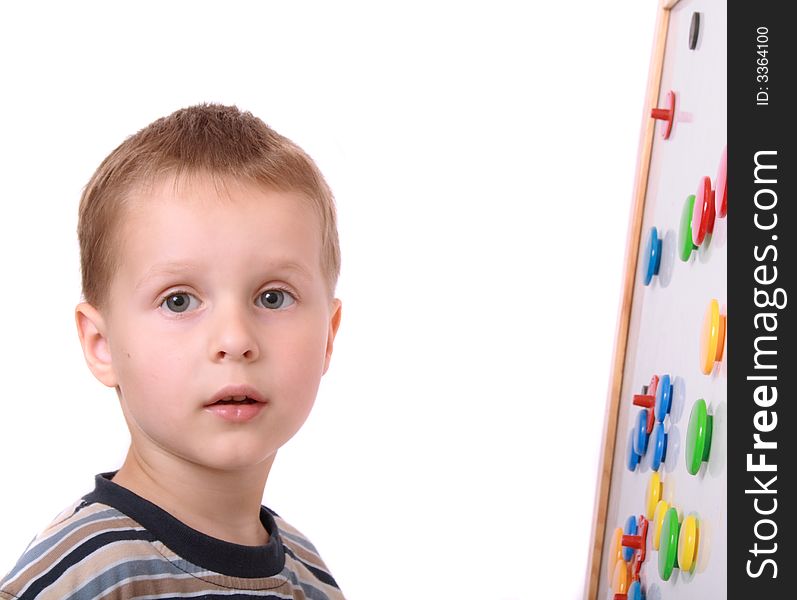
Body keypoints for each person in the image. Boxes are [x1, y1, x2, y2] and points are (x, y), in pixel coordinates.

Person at [0, 104, 345, 599]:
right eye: (179, 301)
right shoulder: (87, 576)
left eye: (273, 297)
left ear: (328, 337)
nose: (234, 340)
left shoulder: (311, 579)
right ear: (102, 345)